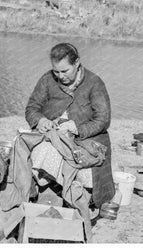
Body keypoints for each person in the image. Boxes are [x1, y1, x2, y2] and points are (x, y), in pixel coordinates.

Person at [25, 42, 115, 210]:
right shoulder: (47, 79)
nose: (60, 76)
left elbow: (103, 119)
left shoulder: (95, 83)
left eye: (65, 71)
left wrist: (77, 128)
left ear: (77, 63)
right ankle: (48, 192)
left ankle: (74, 196)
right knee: (41, 151)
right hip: (53, 135)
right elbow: (32, 108)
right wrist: (40, 120)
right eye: (56, 71)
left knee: (82, 165)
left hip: (87, 139)